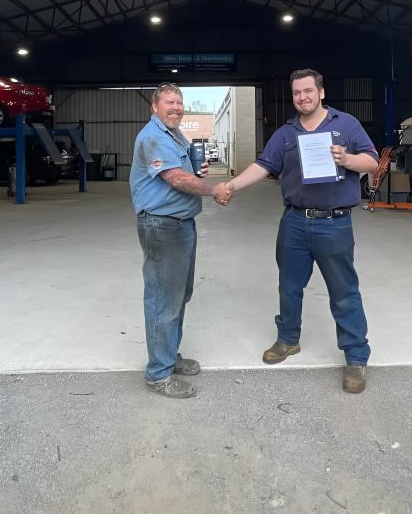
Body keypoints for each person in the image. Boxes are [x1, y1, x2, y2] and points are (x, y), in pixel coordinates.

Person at [214, 69, 379, 393]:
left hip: (334, 223)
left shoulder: (345, 125)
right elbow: (263, 166)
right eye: (297, 93)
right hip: (295, 223)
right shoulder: (286, 133)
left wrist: (346, 158)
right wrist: (230, 185)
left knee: (344, 293)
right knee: (289, 287)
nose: (302, 97)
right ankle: (288, 340)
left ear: (321, 92)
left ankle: (356, 357)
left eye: (307, 91)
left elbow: (372, 162)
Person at [130, 81, 228, 399]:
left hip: (181, 224)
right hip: (162, 226)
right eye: (169, 102)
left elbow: (184, 170)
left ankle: (168, 356)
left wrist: (197, 170)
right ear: (154, 107)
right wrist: (213, 188)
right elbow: (174, 178)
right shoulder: (153, 136)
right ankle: (159, 374)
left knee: (178, 296)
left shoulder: (175, 134)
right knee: (163, 299)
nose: (176, 107)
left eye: (179, 102)